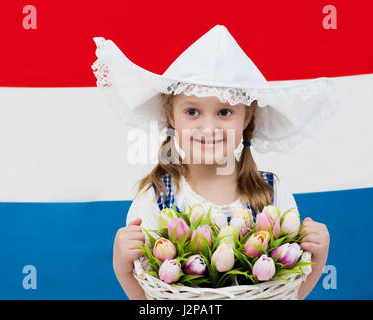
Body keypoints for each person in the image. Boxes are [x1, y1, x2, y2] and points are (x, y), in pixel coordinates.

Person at [92, 25, 339, 300]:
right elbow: (151, 301)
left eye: (224, 112)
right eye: (192, 111)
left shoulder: (271, 194)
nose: (208, 128)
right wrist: (123, 269)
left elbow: (287, 294)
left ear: (246, 119)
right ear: (171, 116)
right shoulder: (156, 198)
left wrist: (318, 259)